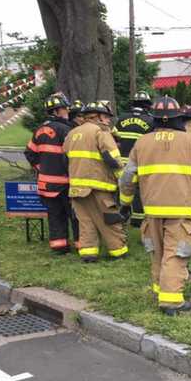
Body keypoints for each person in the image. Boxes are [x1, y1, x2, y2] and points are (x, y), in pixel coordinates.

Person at [119, 96, 191, 315]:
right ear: (178, 118)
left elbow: (127, 177)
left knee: (158, 252)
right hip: (180, 209)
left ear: (153, 118)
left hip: (151, 210)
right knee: (176, 254)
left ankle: (160, 290)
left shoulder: (141, 143)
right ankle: (171, 302)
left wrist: (125, 203)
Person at [63, 101, 127, 263]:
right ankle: (118, 251)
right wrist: (123, 180)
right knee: (109, 219)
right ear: (97, 117)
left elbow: (65, 159)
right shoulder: (101, 132)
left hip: (77, 188)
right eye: (106, 117)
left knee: (85, 222)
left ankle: (88, 253)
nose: (108, 121)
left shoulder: (72, 133)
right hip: (99, 186)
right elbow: (113, 159)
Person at [24, 93, 79, 254]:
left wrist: (42, 169)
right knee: (75, 217)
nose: (67, 111)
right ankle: (81, 245)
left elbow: (29, 153)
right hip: (66, 183)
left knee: (55, 216)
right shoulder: (67, 129)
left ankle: (59, 247)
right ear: (56, 111)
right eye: (64, 109)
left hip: (46, 185)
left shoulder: (39, 130)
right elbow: (73, 155)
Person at [114, 91, 153, 226]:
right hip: (139, 162)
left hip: (120, 162)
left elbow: (114, 140)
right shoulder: (150, 120)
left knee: (122, 189)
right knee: (138, 190)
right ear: (147, 105)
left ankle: (121, 215)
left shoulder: (121, 119)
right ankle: (138, 220)